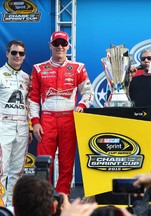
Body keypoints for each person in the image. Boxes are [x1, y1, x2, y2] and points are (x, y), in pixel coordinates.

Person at [28, 31, 94, 195]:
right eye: (56, 44)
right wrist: (35, 122)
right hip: (47, 120)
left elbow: (88, 92)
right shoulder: (38, 68)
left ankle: (63, 198)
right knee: (43, 161)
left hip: (69, 119)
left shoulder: (78, 68)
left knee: (66, 162)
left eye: (63, 44)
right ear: (50, 45)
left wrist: (82, 104)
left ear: (68, 46)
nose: (60, 47)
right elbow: (33, 97)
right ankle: (44, 197)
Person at [129, 49, 151, 210]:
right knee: (136, 161)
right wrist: (127, 79)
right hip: (137, 123)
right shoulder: (135, 80)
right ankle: (137, 198)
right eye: (143, 59)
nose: (146, 61)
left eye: (150, 58)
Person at [0, 40, 33, 207]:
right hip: (3, 127)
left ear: (24, 56)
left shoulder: (26, 77)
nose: (17, 56)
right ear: (7, 54)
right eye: (14, 53)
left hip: (21, 128)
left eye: (21, 53)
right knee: (1, 170)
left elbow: (28, 105)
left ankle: (12, 207)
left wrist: (30, 129)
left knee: (17, 171)